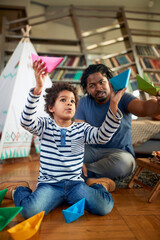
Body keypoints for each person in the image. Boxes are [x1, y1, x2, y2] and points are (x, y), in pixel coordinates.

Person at [0, 60, 126, 219]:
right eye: (63, 100)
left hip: (76, 185)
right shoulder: (44, 125)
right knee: (28, 211)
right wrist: (38, 90)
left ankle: (98, 185)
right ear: (51, 108)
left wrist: (113, 106)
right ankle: (19, 189)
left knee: (104, 206)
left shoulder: (82, 128)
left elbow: (102, 136)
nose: (69, 103)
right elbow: (26, 121)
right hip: (49, 186)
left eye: (72, 101)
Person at [74, 64, 160, 181]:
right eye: (92, 86)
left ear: (110, 82)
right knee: (67, 153)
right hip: (91, 151)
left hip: (119, 153)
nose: (98, 88)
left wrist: (158, 103)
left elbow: (144, 108)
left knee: (125, 164)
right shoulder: (83, 102)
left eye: (102, 82)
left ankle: (78, 175)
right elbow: (78, 134)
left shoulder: (123, 98)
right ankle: (88, 176)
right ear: (87, 89)